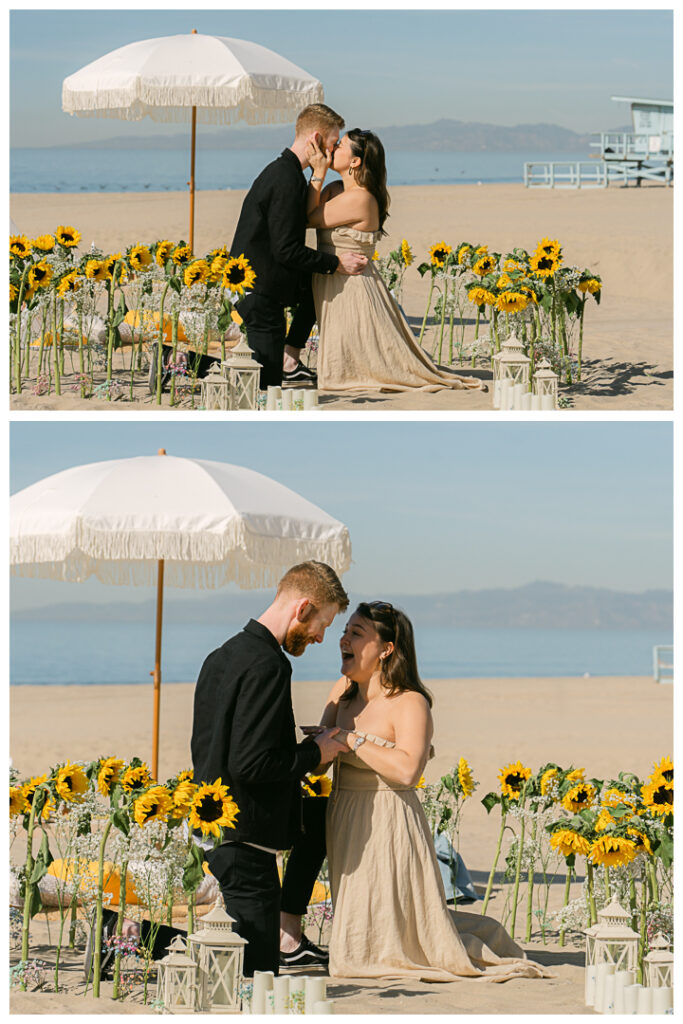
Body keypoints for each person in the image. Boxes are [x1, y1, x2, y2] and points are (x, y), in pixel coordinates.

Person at [306, 601, 551, 982]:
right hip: (345, 813)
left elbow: (408, 771)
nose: (343, 639)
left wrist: (352, 740)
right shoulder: (342, 693)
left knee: (393, 925)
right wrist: (324, 737)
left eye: (356, 633)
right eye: (345, 631)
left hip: (389, 817)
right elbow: (320, 764)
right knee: (361, 919)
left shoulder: (409, 701)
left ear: (386, 649)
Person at [190, 561, 350, 977]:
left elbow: (211, 750)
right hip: (248, 841)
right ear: (303, 608)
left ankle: (129, 937)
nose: (320, 636)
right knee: (256, 970)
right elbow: (253, 763)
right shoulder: (269, 665)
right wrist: (315, 753)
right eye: (323, 623)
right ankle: (128, 937)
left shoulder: (221, 655)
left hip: (216, 829)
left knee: (233, 952)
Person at [305, 131, 487, 394]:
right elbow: (306, 211)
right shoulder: (336, 189)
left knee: (365, 365)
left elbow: (309, 219)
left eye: (340, 146)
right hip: (334, 281)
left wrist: (318, 173)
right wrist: (321, 177)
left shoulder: (361, 198)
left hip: (353, 288)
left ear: (355, 161)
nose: (332, 149)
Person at [230, 105, 368, 389]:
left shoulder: (285, 171)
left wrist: (317, 176)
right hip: (260, 291)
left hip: (263, 285)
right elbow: (286, 249)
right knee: (265, 382)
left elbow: (295, 228)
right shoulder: (286, 178)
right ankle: (177, 360)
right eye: (332, 144)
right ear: (315, 139)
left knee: (261, 374)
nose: (332, 153)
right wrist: (336, 264)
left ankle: (290, 357)